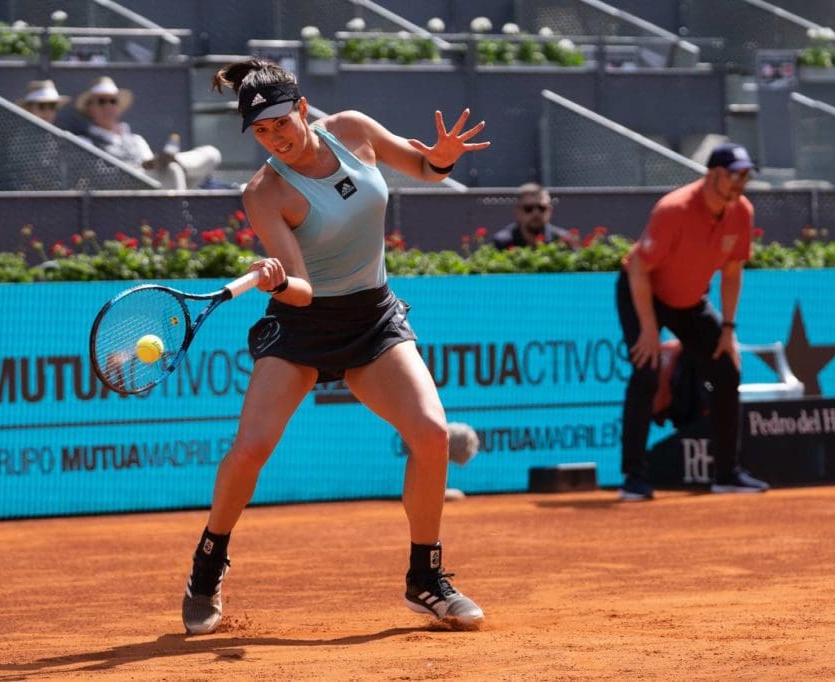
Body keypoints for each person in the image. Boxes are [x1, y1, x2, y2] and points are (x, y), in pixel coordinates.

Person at [181, 58, 490, 635]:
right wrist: (276, 279)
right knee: (250, 450)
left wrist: (443, 155)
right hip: (302, 325)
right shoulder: (266, 191)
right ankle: (208, 564)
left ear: (302, 109)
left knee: (430, 434)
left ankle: (426, 580)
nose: (276, 139)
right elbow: (300, 291)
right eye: (262, 133)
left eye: (281, 123)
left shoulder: (352, 130)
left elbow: (425, 168)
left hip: (372, 316)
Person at [616, 142, 770, 502]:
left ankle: (726, 473)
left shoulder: (742, 212)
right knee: (646, 372)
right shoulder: (674, 210)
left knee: (727, 369)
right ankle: (634, 478)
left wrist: (728, 330)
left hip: (689, 301)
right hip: (643, 292)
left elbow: (732, 271)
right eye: (735, 175)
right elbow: (639, 267)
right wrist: (649, 328)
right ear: (713, 174)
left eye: (746, 175)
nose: (740, 183)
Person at [73, 76, 222, 189]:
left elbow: (151, 165)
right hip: (127, 192)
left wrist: (157, 163)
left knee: (211, 153)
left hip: (157, 184)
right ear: (89, 107)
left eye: (113, 101)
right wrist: (141, 168)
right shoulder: (83, 142)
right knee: (171, 170)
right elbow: (97, 178)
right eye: (101, 101)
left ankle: (177, 160)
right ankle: (180, 226)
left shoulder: (136, 139)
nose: (108, 107)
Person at [492, 182, 568, 249]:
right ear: (518, 211)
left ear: (550, 210)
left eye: (542, 208)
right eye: (528, 208)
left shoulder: (562, 241)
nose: (536, 213)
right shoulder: (502, 243)